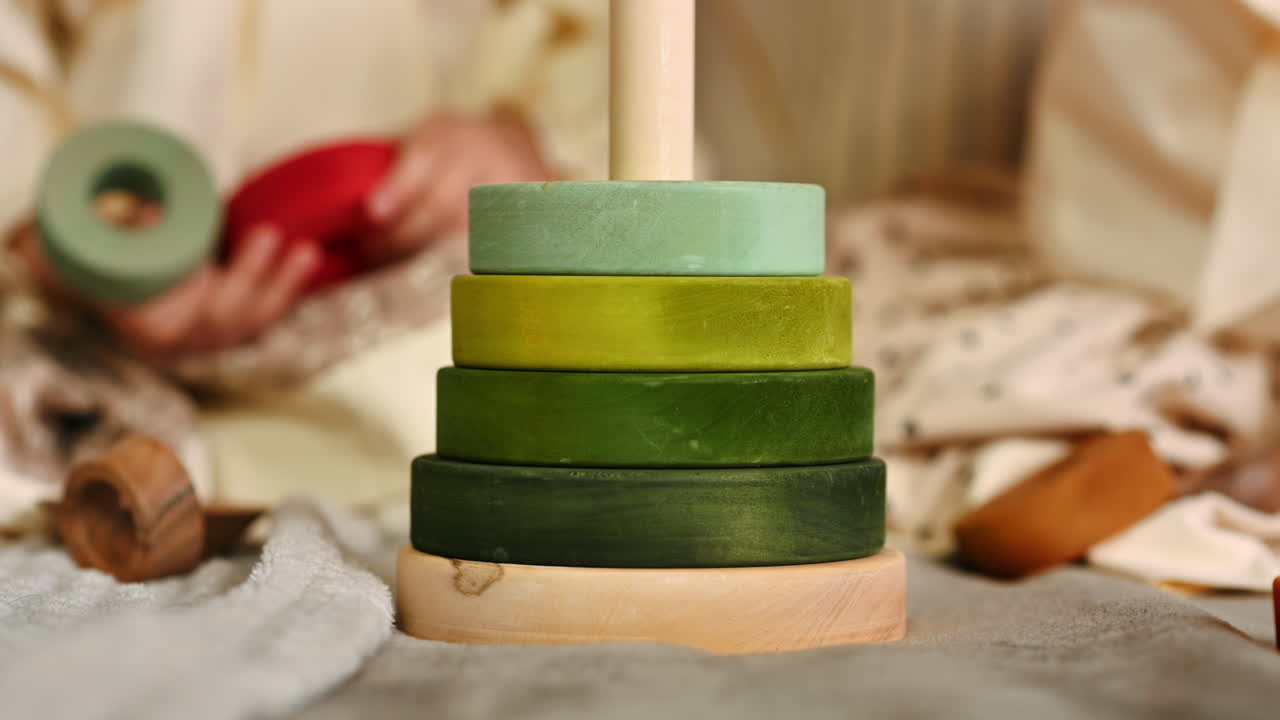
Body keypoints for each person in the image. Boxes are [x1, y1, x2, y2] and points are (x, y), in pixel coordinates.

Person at [0, 0, 610, 524]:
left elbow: (602, 39)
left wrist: (520, 135)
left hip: (399, 294)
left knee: (531, 363)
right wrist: (54, 239)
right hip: (83, 294)